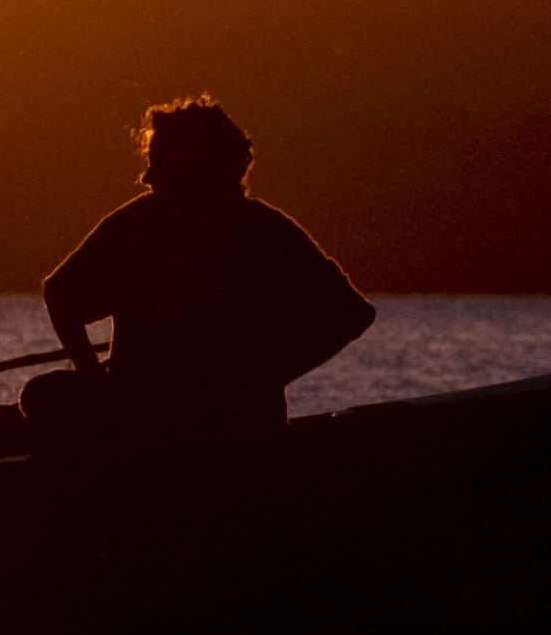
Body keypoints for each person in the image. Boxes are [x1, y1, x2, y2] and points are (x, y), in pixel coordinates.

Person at [33, 96, 374, 436]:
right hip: (147, 424)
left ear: (200, 166)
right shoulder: (140, 224)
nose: (146, 178)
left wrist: (258, 386)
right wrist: (97, 385)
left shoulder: (262, 232)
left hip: (229, 429)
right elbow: (60, 293)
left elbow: (353, 313)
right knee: (39, 395)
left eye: (160, 163)